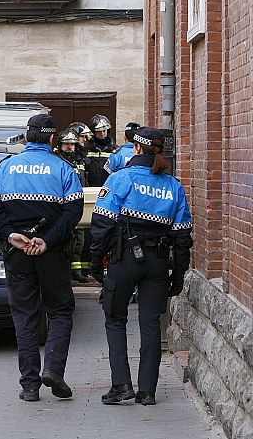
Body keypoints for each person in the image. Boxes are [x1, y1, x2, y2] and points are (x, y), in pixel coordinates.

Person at [0, 114, 84, 402]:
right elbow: (73, 213)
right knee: (60, 311)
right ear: (52, 139)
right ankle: (53, 369)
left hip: (17, 252)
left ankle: (29, 385)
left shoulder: (5, 168)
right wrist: (48, 240)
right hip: (50, 253)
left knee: (24, 316)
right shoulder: (63, 169)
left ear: (27, 137)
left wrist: (10, 235)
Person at [89, 126, 192, 406]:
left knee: (114, 319)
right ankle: (147, 391)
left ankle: (121, 384)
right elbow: (183, 236)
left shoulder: (121, 178)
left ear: (136, 149)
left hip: (124, 261)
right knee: (150, 324)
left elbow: (101, 225)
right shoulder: (173, 186)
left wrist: (96, 265)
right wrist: (179, 275)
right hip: (157, 263)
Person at [54, 130, 89, 284]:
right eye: (66, 144)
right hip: (62, 206)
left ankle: (77, 272)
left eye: (72, 144)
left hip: (78, 203)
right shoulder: (56, 161)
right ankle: (65, 272)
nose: (69, 147)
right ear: (60, 145)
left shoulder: (80, 160)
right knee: (64, 240)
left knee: (79, 241)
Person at [84, 114, 118, 187]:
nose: (102, 133)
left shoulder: (114, 149)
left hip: (109, 186)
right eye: (99, 131)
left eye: (104, 131)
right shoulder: (86, 148)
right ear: (93, 132)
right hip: (90, 187)